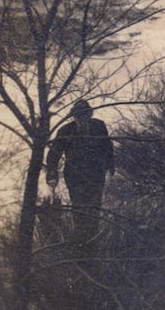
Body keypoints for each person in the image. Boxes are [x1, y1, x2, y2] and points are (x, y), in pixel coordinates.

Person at [45, 99, 114, 233]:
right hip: (74, 175)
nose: (82, 118)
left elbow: (107, 146)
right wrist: (52, 172)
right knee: (79, 208)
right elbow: (54, 153)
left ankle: (92, 237)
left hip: (96, 173)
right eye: (79, 115)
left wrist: (110, 165)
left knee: (94, 208)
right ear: (74, 116)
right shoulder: (65, 130)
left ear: (89, 114)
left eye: (85, 114)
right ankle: (80, 238)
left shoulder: (99, 126)